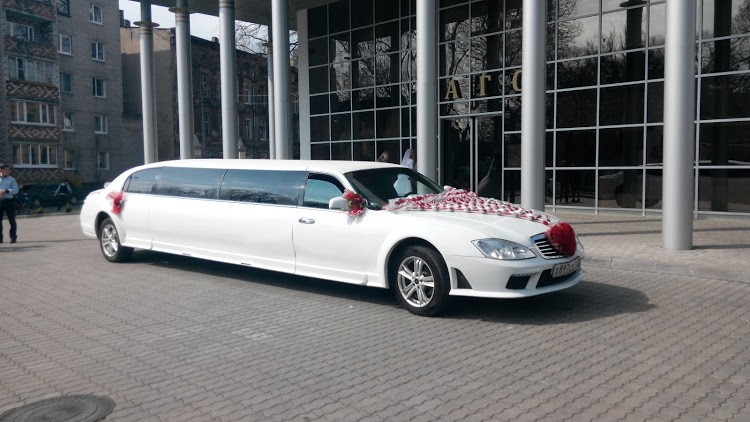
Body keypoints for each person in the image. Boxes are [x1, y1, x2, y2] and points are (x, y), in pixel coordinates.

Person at [0, 163, 19, 243]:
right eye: (7, 170)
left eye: (9, 170)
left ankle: (13, 237)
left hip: (8, 202)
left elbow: (16, 190)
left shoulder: (11, 179)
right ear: (1, 170)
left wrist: (6, 191)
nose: (9, 171)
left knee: (12, 220)